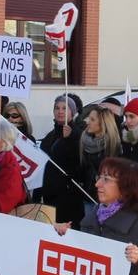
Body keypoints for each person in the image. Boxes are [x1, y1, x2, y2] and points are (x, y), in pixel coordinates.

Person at [40, 94, 88, 223]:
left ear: (72, 112)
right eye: (57, 108)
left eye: (64, 108)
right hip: (50, 195)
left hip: (70, 197)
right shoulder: (49, 137)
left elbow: (79, 162)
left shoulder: (80, 133)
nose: (60, 111)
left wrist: (70, 138)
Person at [78, 105, 122, 213]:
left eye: (92, 119)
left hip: (107, 200)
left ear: (103, 123)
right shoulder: (84, 141)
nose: (88, 122)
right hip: (88, 196)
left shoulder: (113, 146)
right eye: (89, 118)